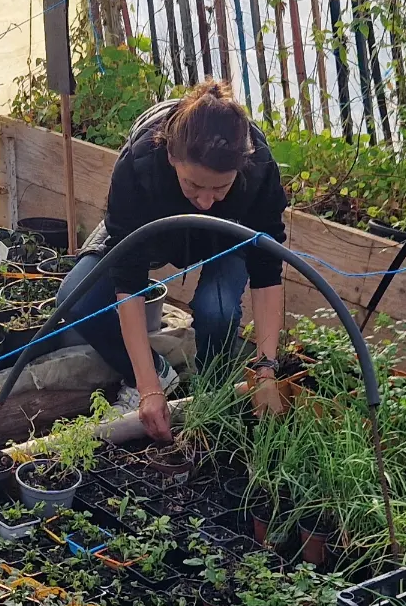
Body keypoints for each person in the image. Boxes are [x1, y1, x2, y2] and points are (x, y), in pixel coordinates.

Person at [55, 80, 287, 441]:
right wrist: (148, 387)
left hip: (225, 235)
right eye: (194, 186)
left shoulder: (259, 169)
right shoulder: (140, 161)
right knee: (77, 298)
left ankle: (215, 402)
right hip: (147, 227)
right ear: (171, 158)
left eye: (220, 189)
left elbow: (267, 268)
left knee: (217, 312)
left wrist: (266, 370)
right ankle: (155, 373)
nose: (206, 201)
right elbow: (128, 279)